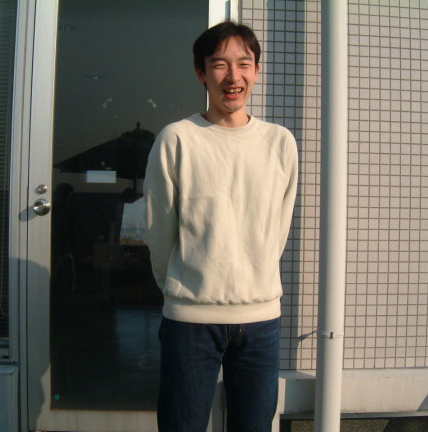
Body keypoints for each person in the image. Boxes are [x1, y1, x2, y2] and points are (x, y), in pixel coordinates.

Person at [143, 21, 298, 432]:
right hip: (189, 319)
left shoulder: (280, 142)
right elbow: (159, 230)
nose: (233, 76)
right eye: (219, 64)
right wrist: (181, 289)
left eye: (244, 64)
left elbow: (277, 229)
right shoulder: (177, 139)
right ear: (201, 72)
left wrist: (255, 278)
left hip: (261, 319)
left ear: (257, 71)